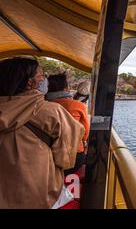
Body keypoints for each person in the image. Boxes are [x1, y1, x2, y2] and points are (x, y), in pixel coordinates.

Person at [0, 57, 84, 209]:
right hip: (38, 196)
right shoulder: (52, 112)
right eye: (41, 75)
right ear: (30, 83)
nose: (45, 79)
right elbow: (66, 159)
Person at [46, 74, 90, 175]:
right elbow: (85, 133)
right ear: (66, 88)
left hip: (46, 156)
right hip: (73, 156)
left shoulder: (41, 104)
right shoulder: (78, 106)